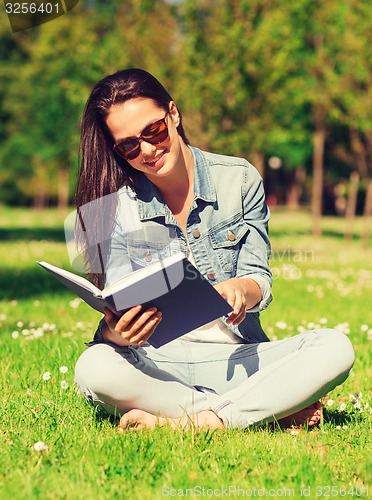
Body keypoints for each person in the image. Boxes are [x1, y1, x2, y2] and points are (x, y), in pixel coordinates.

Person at [74, 68, 355, 431]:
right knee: (93, 368)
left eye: (153, 130)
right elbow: (117, 303)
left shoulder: (238, 179)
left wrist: (241, 290)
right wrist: (116, 331)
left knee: (335, 347)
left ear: (173, 114)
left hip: (236, 358)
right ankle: (257, 408)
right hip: (158, 364)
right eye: (128, 145)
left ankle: (198, 420)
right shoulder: (115, 206)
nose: (146, 150)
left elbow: (258, 279)